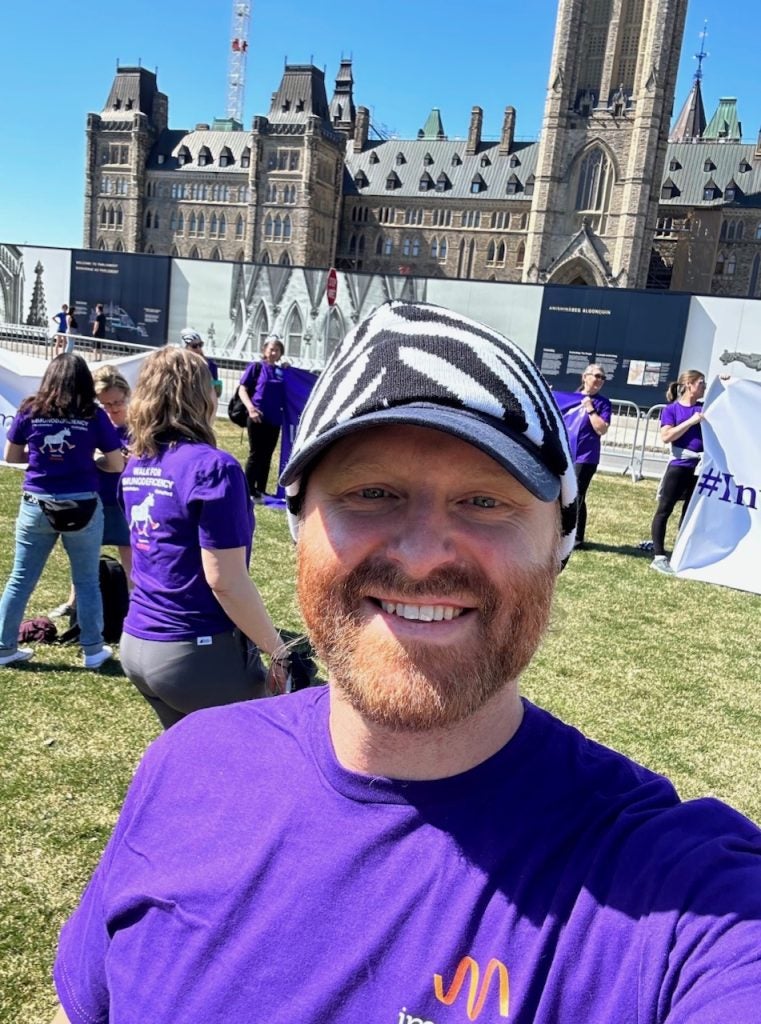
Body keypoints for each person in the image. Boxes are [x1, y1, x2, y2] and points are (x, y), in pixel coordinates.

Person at [51, 303, 761, 1024]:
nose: (421, 554)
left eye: (485, 500)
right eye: (371, 493)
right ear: (301, 528)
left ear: (558, 546)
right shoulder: (185, 767)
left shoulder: (683, 892)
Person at [115, 346, 288, 729]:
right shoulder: (213, 469)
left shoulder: (136, 466)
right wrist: (278, 649)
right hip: (194, 651)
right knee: (251, 760)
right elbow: (225, 581)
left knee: (192, 765)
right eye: (211, 383)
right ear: (200, 395)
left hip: (138, 642)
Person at [0, 354, 123, 669]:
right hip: (82, 504)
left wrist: (43, 456)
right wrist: (87, 461)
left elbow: (12, 456)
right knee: (86, 581)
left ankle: (3, 647)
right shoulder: (93, 416)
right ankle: (93, 650)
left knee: (20, 579)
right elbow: (115, 463)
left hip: (37, 503)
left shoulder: (30, 409)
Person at [50, 365, 132, 620]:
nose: (113, 409)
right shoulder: (90, 421)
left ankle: (132, 603)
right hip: (93, 495)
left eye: (118, 402)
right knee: (84, 554)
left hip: (124, 498)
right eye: (106, 404)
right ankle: (73, 602)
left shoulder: (139, 424)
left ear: (127, 395)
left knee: (129, 554)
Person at [650, 369, 706, 575]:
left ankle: (681, 552)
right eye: (701, 382)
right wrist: (691, 422)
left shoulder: (703, 407)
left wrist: (726, 382)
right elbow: (667, 436)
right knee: (665, 509)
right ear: (689, 384)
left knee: (689, 512)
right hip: (679, 466)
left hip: (699, 468)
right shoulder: (671, 409)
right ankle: (658, 555)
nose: (704, 386)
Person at [560, 362, 611, 549]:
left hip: (586, 456)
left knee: (577, 494)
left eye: (602, 377)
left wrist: (590, 408)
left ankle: (574, 536)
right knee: (566, 493)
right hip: (567, 453)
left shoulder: (603, 403)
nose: (599, 380)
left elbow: (601, 429)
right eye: (596, 376)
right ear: (585, 377)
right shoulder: (570, 399)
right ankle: (571, 533)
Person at [238, 335, 285, 500]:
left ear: (281, 353)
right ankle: (247, 490)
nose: (273, 352)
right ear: (265, 350)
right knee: (256, 454)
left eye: (277, 350)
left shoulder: (281, 371)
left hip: (274, 419)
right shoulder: (256, 367)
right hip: (257, 417)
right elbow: (242, 389)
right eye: (271, 349)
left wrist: (289, 370)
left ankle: (261, 490)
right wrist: (251, 409)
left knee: (267, 455)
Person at [181, 326, 222, 396]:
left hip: (204, 402)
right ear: (185, 347)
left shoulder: (210, 364)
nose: (198, 348)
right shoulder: (178, 364)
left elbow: (217, 392)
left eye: (200, 344)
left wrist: (216, 386)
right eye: (194, 346)